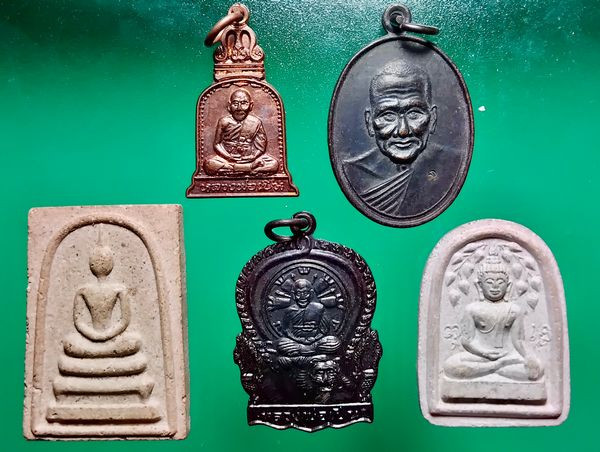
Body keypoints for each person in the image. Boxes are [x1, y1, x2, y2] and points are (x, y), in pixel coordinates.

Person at [342, 60, 460, 218]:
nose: (403, 131)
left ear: (432, 119)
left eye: (414, 114)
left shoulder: (451, 163)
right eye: (388, 116)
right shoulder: (354, 171)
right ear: (369, 122)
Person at [443, 253, 543, 381]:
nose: (495, 286)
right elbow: (466, 341)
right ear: (479, 285)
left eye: (500, 282)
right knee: (450, 365)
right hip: (480, 356)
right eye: (489, 282)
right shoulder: (472, 309)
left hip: (508, 355)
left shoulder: (514, 310)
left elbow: (518, 341)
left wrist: (529, 356)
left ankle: (488, 369)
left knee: (537, 368)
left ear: (508, 285)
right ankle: (496, 367)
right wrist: (484, 353)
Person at [204, 88, 279, 175]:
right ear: (229, 105)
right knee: (209, 164)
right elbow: (217, 144)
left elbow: (261, 147)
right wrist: (228, 156)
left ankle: (236, 170)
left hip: (250, 159)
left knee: (274, 164)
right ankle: (249, 169)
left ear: (251, 106)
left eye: (244, 103)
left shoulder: (256, 122)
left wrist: (253, 156)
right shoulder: (224, 121)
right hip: (228, 159)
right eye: (235, 103)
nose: (239, 108)